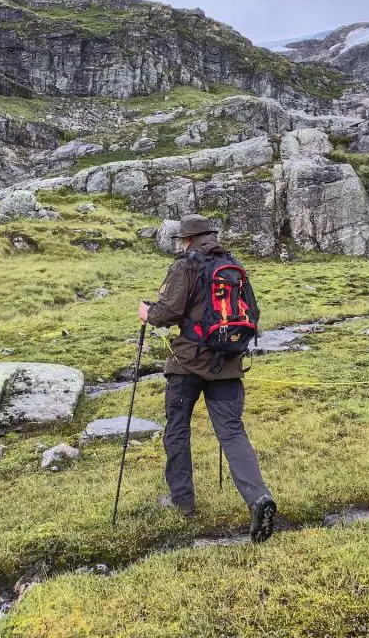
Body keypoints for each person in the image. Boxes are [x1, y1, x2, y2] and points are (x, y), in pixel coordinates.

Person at [138, 214, 277, 543]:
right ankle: (259, 498)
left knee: (178, 429)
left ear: (186, 239)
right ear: (211, 236)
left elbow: (167, 312)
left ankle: (182, 502)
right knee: (232, 433)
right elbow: (252, 314)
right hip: (227, 363)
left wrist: (147, 313)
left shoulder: (185, 264)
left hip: (186, 364)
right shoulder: (233, 265)